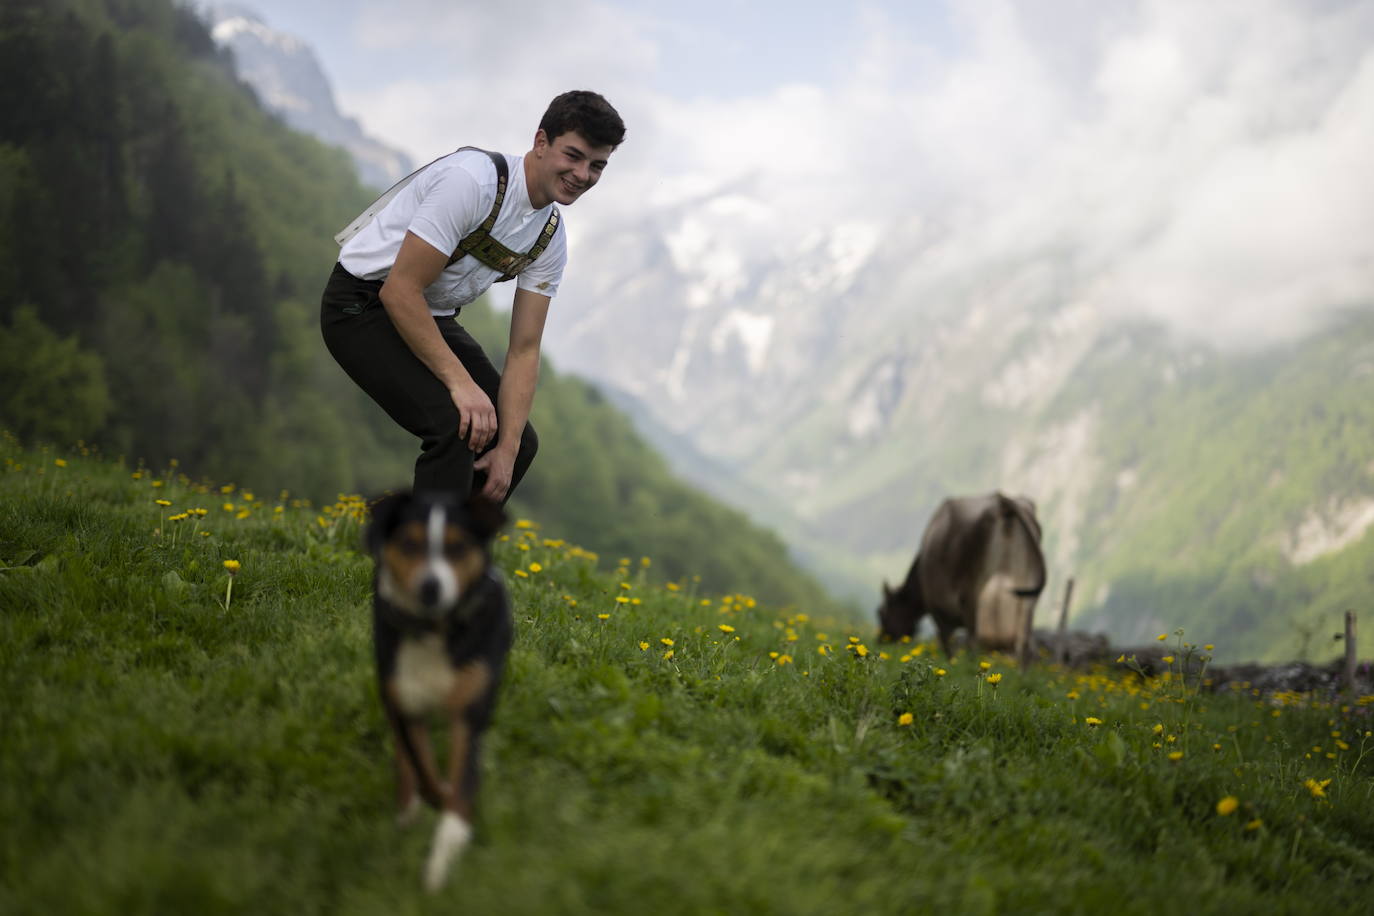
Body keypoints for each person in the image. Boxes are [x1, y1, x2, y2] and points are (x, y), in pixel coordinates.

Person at [320, 90, 625, 503]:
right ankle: (423, 563)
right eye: (573, 156)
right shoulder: (472, 182)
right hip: (360, 306)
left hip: (430, 315)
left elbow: (524, 349)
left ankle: (457, 554)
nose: (583, 174)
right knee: (456, 425)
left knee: (515, 444)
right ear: (540, 142)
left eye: (597, 166)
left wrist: (507, 450)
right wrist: (461, 384)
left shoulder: (549, 237)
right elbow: (401, 290)